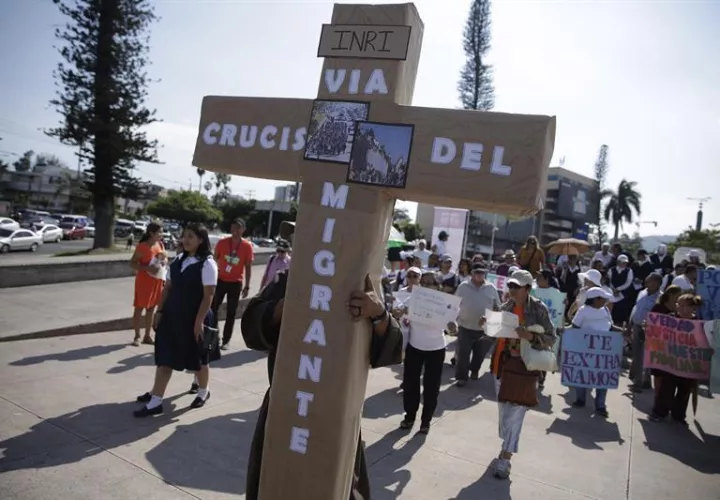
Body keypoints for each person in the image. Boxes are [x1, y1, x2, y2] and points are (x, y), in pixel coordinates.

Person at [240, 245, 404, 500]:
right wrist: (283, 307)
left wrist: (378, 314)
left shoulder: (364, 283)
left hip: (336, 416)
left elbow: (392, 347)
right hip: (284, 410)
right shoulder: (289, 279)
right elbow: (251, 328)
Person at [134, 223, 219, 416]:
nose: (186, 240)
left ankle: (203, 391)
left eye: (191, 236)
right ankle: (156, 400)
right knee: (165, 356)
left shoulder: (208, 263)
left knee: (200, 360)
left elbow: (208, 297)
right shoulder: (178, 260)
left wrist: (199, 322)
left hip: (197, 317)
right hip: (173, 316)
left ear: (201, 240)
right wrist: (159, 311)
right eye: (184, 236)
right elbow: (168, 288)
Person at [490, 270, 555, 480]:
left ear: (527, 289)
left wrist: (530, 337)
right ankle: (506, 443)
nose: (512, 290)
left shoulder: (538, 308)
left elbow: (551, 338)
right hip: (501, 364)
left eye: (516, 287)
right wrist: (487, 324)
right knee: (504, 413)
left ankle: (505, 457)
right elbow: (496, 331)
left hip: (524, 369)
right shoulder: (506, 305)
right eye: (510, 286)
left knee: (515, 413)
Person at [398, 271, 448, 433]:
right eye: (423, 283)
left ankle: (425, 421)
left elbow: (452, 323)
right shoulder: (412, 299)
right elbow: (400, 314)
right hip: (414, 347)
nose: (425, 286)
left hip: (436, 349)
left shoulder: (444, 303)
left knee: (431, 387)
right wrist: (399, 312)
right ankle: (409, 416)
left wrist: (453, 327)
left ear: (437, 286)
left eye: (429, 283)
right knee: (410, 384)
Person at [649, 294, 706, 425]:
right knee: (666, 389)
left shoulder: (699, 323)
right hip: (670, 363)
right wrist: (650, 327)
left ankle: (679, 416)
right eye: (678, 305)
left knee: (684, 392)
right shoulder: (669, 319)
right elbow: (658, 334)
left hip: (689, 366)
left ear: (692, 308)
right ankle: (659, 413)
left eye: (683, 306)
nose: (680, 308)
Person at [570, 287, 623, 417]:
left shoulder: (605, 310)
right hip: (585, 350)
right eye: (603, 298)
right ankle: (580, 400)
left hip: (604, 350)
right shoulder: (583, 311)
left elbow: (610, 326)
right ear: (596, 299)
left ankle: (600, 406)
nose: (605, 300)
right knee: (582, 375)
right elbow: (575, 326)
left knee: (602, 378)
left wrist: (622, 330)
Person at [453, 264, 501, 386]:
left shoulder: (491, 288)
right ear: (472, 273)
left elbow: (498, 307)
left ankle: (474, 370)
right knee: (463, 353)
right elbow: (453, 304)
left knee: (480, 354)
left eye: (482, 272)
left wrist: (490, 319)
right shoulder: (463, 286)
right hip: (465, 326)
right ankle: (461, 377)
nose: (479, 275)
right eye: (477, 272)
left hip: (484, 329)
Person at [212, 218, 254, 350]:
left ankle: (226, 340)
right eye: (234, 228)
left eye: (239, 228)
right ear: (231, 228)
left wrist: (247, 285)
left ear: (243, 230)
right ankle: (213, 336)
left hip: (236, 283)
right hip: (220, 280)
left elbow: (248, 267)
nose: (236, 231)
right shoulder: (222, 242)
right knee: (213, 309)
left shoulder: (247, 246)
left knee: (231, 313)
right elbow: (214, 260)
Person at [129, 222, 165, 346]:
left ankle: (147, 335)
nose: (162, 234)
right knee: (139, 308)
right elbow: (133, 263)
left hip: (156, 280)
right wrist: (148, 268)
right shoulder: (142, 247)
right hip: (144, 281)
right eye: (159, 232)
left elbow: (162, 258)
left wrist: (163, 262)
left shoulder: (160, 244)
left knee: (151, 309)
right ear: (151, 233)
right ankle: (137, 336)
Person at [627, 273, 663, 392]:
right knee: (637, 354)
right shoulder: (642, 292)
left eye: (649, 281)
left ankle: (638, 383)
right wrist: (629, 324)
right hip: (636, 326)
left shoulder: (660, 298)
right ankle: (645, 380)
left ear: (657, 283)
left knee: (643, 356)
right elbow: (635, 308)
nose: (646, 283)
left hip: (649, 331)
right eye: (647, 280)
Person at [608, 254, 634, 325]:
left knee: (621, 311)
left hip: (623, 294)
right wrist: (613, 289)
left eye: (625, 262)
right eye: (622, 262)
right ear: (618, 262)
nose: (624, 264)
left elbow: (628, 283)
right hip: (612, 293)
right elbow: (609, 281)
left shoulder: (629, 271)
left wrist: (618, 289)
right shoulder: (611, 270)